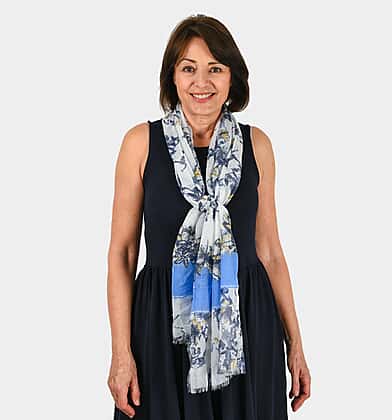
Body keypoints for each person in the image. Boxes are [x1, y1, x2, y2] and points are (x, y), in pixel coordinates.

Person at [107, 14, 310, 420]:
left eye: (215, 68)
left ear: (232, 77)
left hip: (246, 325)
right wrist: (121, 353)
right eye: (189, 68)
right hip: (162, 327)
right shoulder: (140, 144)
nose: (202, 82)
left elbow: (269, 251)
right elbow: (123, 253)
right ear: (173, 78)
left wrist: (296, 344)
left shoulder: (257, 145)